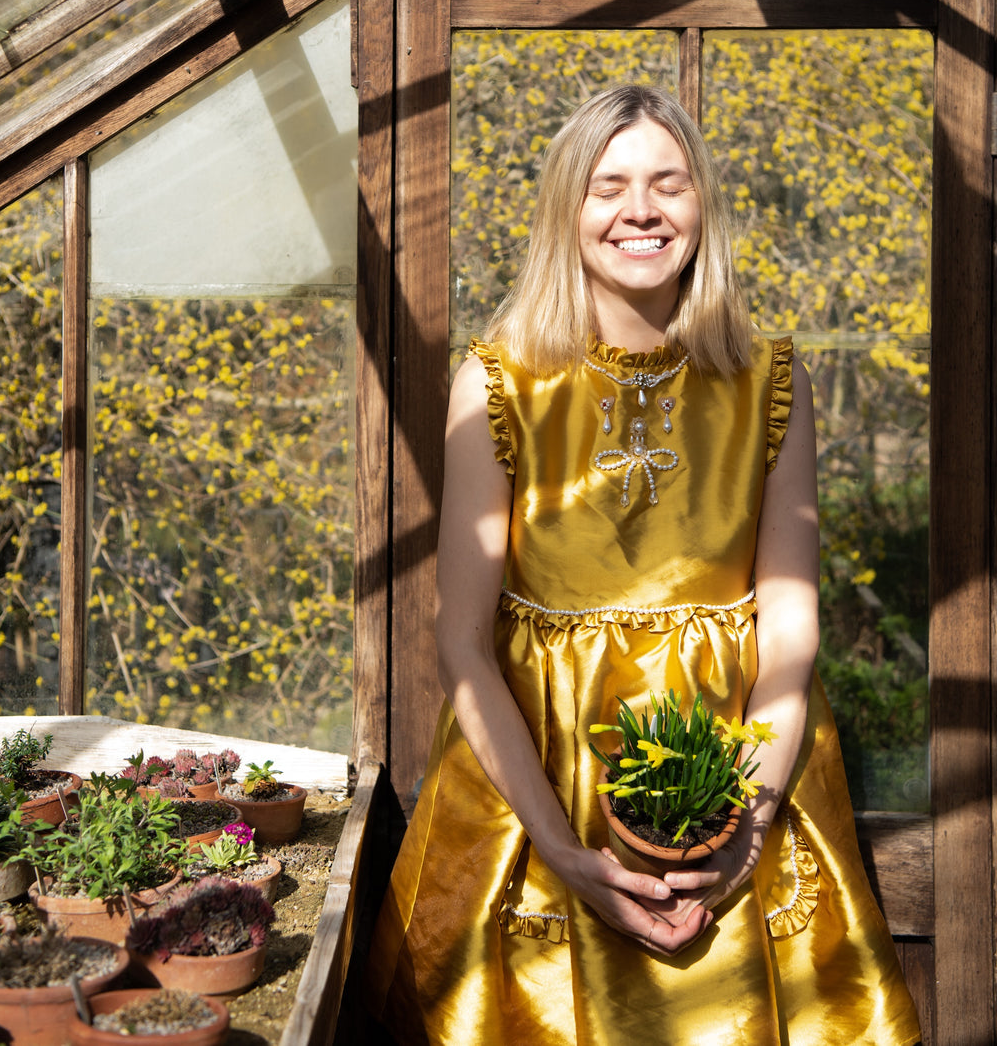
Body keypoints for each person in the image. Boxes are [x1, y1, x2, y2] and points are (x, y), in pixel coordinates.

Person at [368, 85, 921, 1045]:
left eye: (668, 183)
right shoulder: (496, 382)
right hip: (541, 779)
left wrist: (746, 824)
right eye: (609, 185)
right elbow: (460, 639)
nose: (641, 210)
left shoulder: (773, 379)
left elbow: (792, 632)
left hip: (739, 767)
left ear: (701, 205)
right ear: (566, 210)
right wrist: (560, 845)